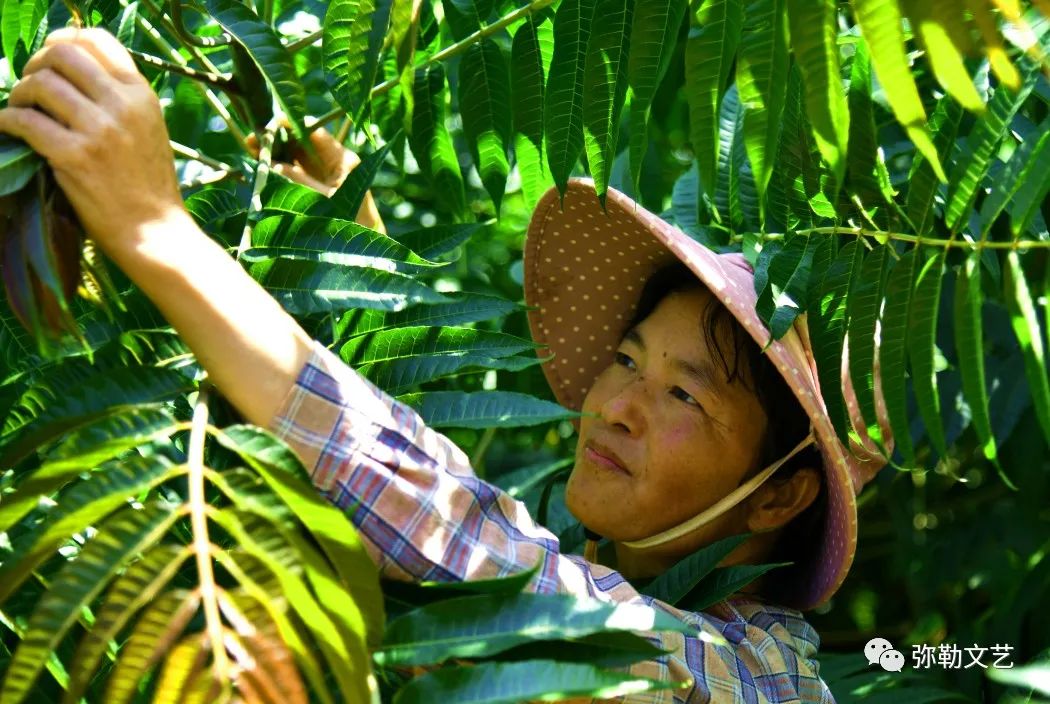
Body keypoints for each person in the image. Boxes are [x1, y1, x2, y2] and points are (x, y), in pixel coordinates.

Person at [0, 28, 894, 703]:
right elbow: (475, 525)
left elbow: (480, 549)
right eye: (627, 358)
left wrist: (158, 230)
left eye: (683, 394)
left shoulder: (752, 678)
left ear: (780, 493)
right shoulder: (626, 565)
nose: (618, 404)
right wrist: (348, 245)